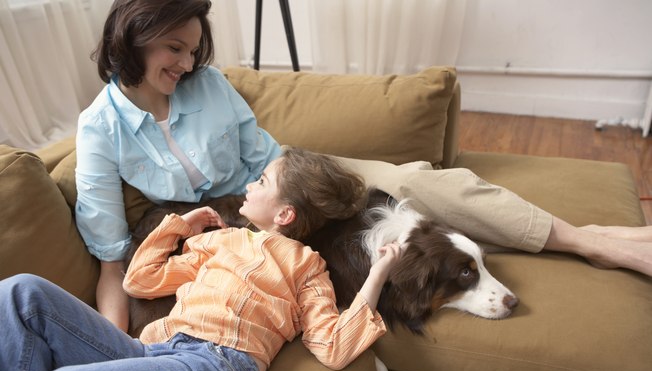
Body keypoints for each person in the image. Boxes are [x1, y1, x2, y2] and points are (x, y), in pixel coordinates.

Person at [76, 0, 652, 331]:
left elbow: (268, 156)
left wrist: (304, 183)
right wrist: (114, 337)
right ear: (136, 36)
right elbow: (110, 264)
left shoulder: (209, 84)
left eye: (192, 49)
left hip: (285, 175)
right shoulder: (98, 131)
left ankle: (587, 240)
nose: (187, 62)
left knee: (410, 181)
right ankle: (575, 239)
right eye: (174, 48)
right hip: (239, 219)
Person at [0, 147, 399, 371]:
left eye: (261, 182)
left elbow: (333, 345)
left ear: (284, 215)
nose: (248, 185)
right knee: (22, 293)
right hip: (153, 352)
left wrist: (377, 273)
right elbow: (139, 280)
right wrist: (179, 226)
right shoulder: (220, 241)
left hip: (216, 369)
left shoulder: (307, 267)